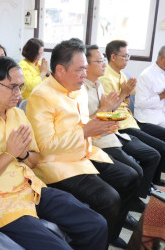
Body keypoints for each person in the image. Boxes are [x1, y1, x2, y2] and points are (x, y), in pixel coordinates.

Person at [0, 56, 108, 250]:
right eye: (13, 87)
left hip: (32, 190)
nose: (19, 93)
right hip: (0, 202)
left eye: (21, 86)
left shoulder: (18, 114)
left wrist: (22, 154)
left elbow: (34, 160)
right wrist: (9, 154)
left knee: (96, 224)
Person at [26, 39, 140, 248]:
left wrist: (102, 123)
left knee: (131, 176)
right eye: (80, 70)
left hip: (84, 153)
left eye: (85, 69)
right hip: (58, 165)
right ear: (60, 70)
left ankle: (110, 232)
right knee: (110, 198)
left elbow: (85, 123)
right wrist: (85, 131)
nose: (84, 76)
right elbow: (45, 145)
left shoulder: (77, 88)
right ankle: (96, 237)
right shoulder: (41, 95)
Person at [84, 44, 160, 209]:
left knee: (143, 164)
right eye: (100, 61)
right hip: (100, 139)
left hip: (114, 130)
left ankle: (133, 199)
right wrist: (113, 107)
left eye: (103, 60)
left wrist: (119, 103)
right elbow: (86, 122)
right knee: (134, 171)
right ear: (86, 64)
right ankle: (130, 201)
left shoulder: (98, 84)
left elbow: (110, 109)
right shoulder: (84, 87)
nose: (104, 64)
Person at [100, 40, 165, 186]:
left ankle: (151, 184)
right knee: (157, 150)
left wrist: (125, 95)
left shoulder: (122, 75)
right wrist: (124, 93)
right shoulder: (105, 78)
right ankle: (146, 188)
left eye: (129, 56)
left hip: (130, 120)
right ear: (113, 57)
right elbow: (109, 111)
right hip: (122, 125)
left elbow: (126, 103)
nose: (127, 60)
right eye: (124, 56)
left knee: (159, 147)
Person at [135, 46, 165, 127]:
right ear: (162, 59)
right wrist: (161, 96)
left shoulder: (163, 72)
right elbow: (141, 103)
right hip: (150, 119)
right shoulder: (146, 75)